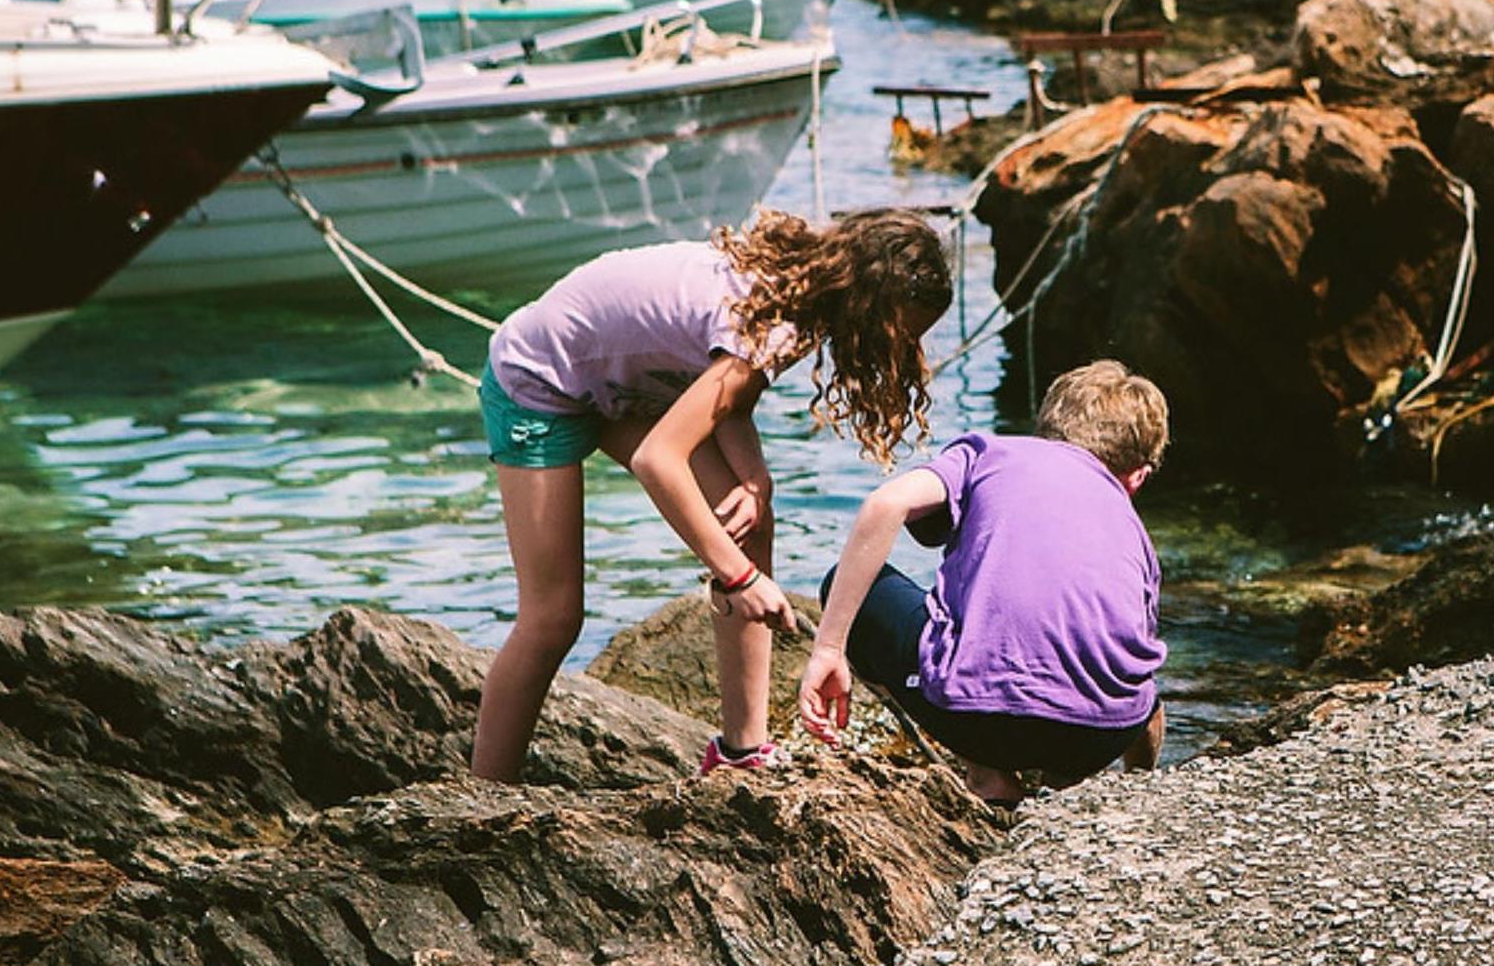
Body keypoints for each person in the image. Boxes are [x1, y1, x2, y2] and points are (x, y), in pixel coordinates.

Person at [470, 209, 952, 783]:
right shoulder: (776, 325)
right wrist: (741, 580)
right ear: (869, 308)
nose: (906, 355)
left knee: (750, 522)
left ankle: (743, 749)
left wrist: (755, 480)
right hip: (541, 382)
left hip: (628, 386)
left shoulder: (794, 289)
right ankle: (485, 789)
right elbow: (659, 460)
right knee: (553, 618)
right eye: (904, 336)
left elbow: (726, 399)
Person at [798, 360, 1170, 805]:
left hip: (978, 724)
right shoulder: (1137, 535)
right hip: (1097, 739)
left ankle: (986, 774)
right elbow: (1131, 656)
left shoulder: (989, 452)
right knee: (1144, 694)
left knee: (849, 582)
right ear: (1138, 478)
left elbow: (885, 505)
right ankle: (1120, 790)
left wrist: (828, 649)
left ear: (1045, 429)